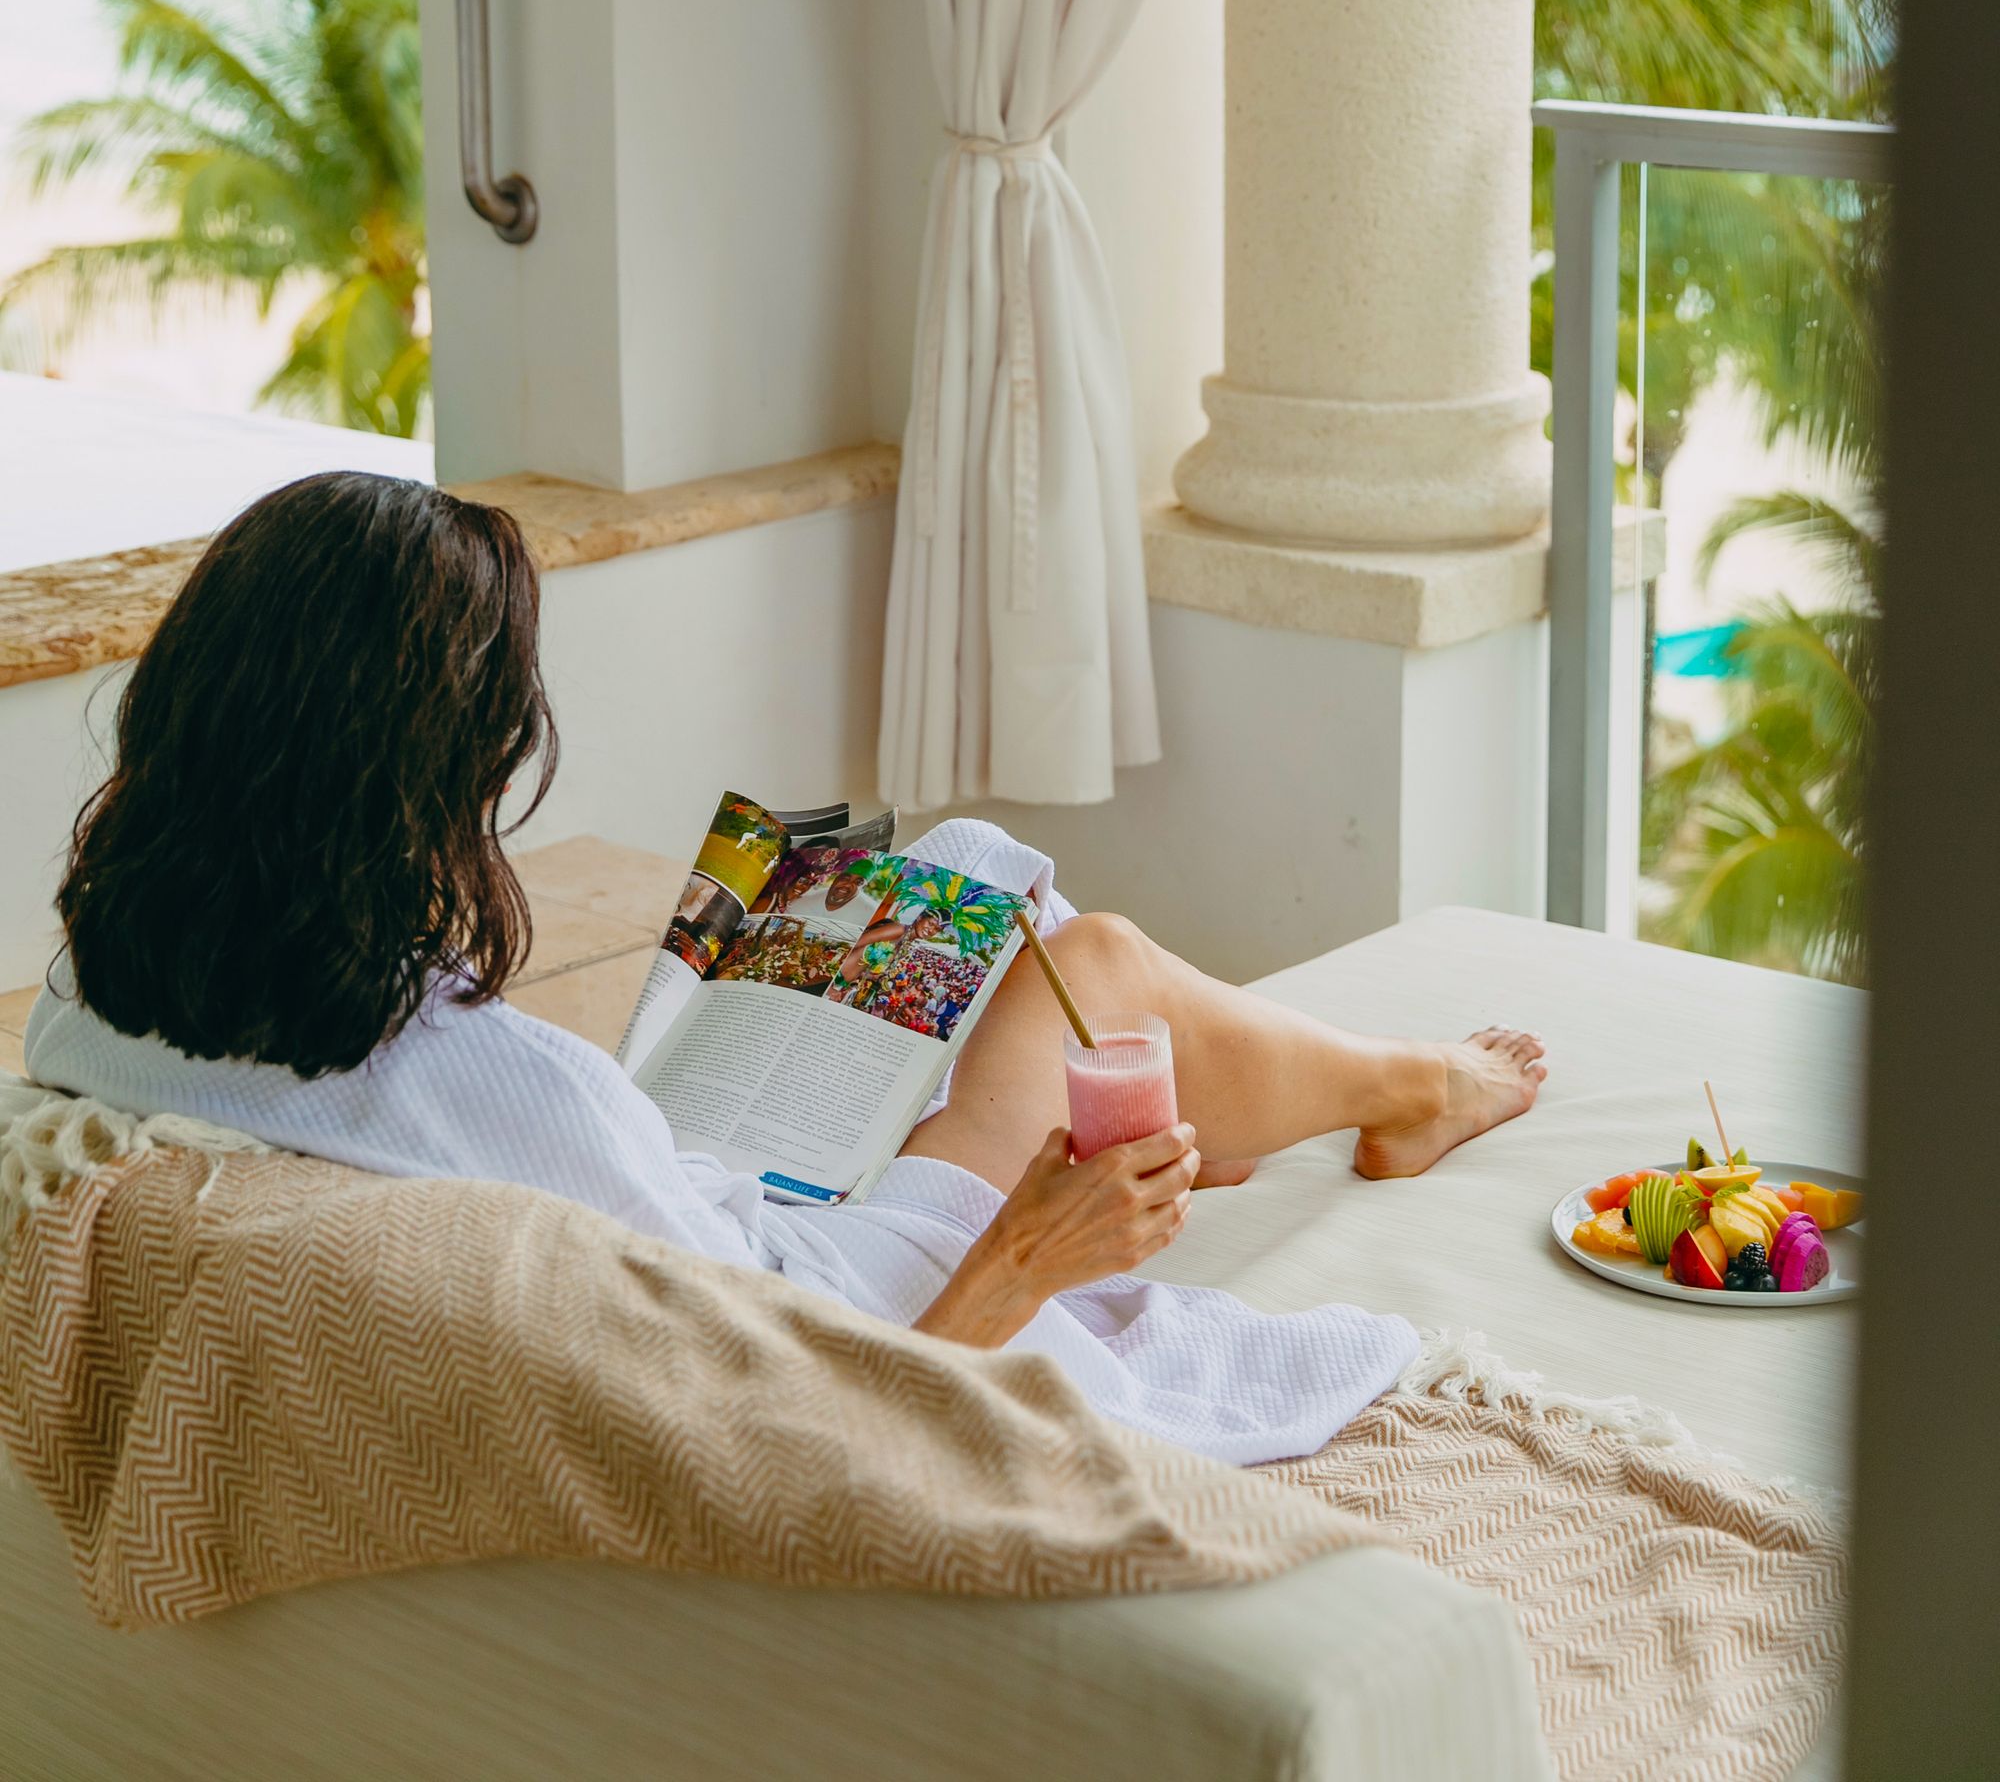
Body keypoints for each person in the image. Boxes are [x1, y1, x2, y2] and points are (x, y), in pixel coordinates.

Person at [25, 475, 1546, 1467]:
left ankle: (1251, 1110)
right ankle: (1412, 1090)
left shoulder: (98, 988)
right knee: (1093, 958)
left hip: (696, 1237)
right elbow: (809, 1423)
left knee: (949, 866)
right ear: (431, 771)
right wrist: (1030, 1256)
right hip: (864, 1305)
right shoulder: (481, 1081)